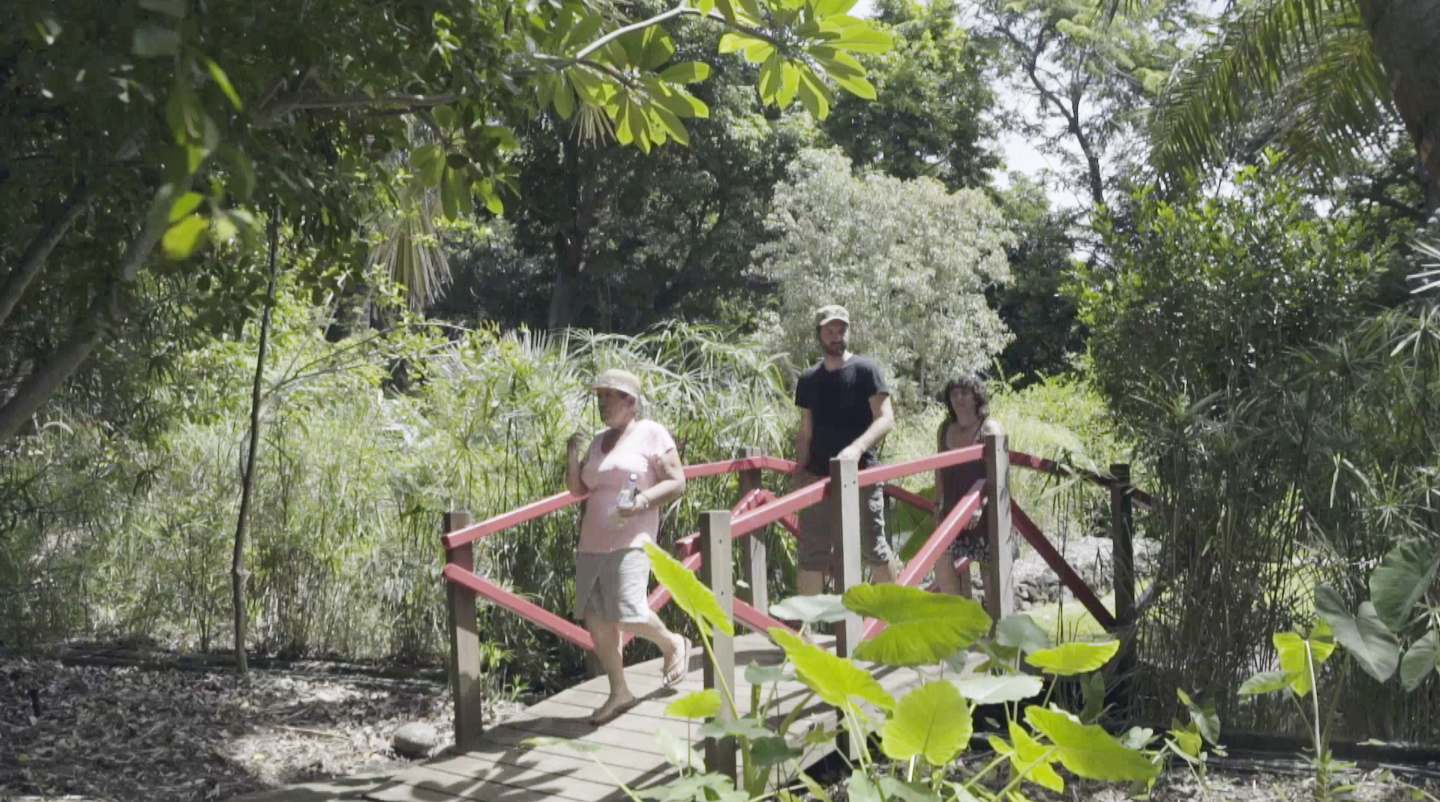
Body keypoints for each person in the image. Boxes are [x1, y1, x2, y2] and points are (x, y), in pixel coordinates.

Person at [565, 369, 690, 724]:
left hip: (632, 537)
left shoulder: (651, 432)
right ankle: (619, 691)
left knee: (625, 609)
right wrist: (572, 453)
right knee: (595, 616)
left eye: (609, 396)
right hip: (592, 541)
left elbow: (677, 481)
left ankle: (671, 643)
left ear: (630, 401)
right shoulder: (598, 441)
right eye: (599, 396)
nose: (602, 403)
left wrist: (643, 500)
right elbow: (579, 490)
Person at [793, 304, 899, 596]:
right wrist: (799, 468)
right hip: (818, 476)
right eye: (830, 331)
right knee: (812, 552)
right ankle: (808, 633)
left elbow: (886, 418)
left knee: (874, 547)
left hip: (862, 472)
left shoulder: (866, 371)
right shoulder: (809, 379)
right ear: (820, 335)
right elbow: (806, 429)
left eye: (842, 330)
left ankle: (894, 620)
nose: (837, 336)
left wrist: (856, 448)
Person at [932, 375, 1004, 597]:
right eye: (954, 393)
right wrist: (937, 504)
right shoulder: (945, 429)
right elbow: (939, 470)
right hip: (953, 510)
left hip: (987, 512)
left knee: (991, 577)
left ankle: (996, 629)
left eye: (964, 392)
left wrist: (980, 504)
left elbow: (1000, 476)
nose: (959, 398)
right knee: (943, 561)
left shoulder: (989, 428)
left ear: (976, 397)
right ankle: (963, 625)